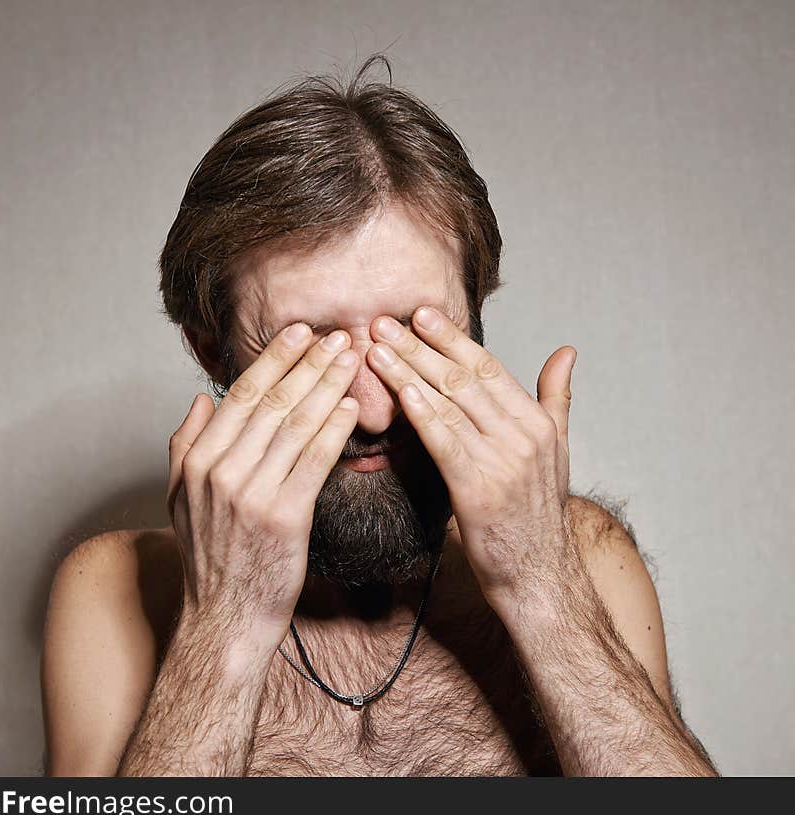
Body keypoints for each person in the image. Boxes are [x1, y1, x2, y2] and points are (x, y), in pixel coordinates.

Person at [41, 56, 717, 777]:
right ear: (212, 349)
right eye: (318, 347)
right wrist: (225, 624)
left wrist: (542, 585)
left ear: (474, 320)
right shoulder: (110, 588)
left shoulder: (583, 553)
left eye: (413, 334)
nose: (372, 408)